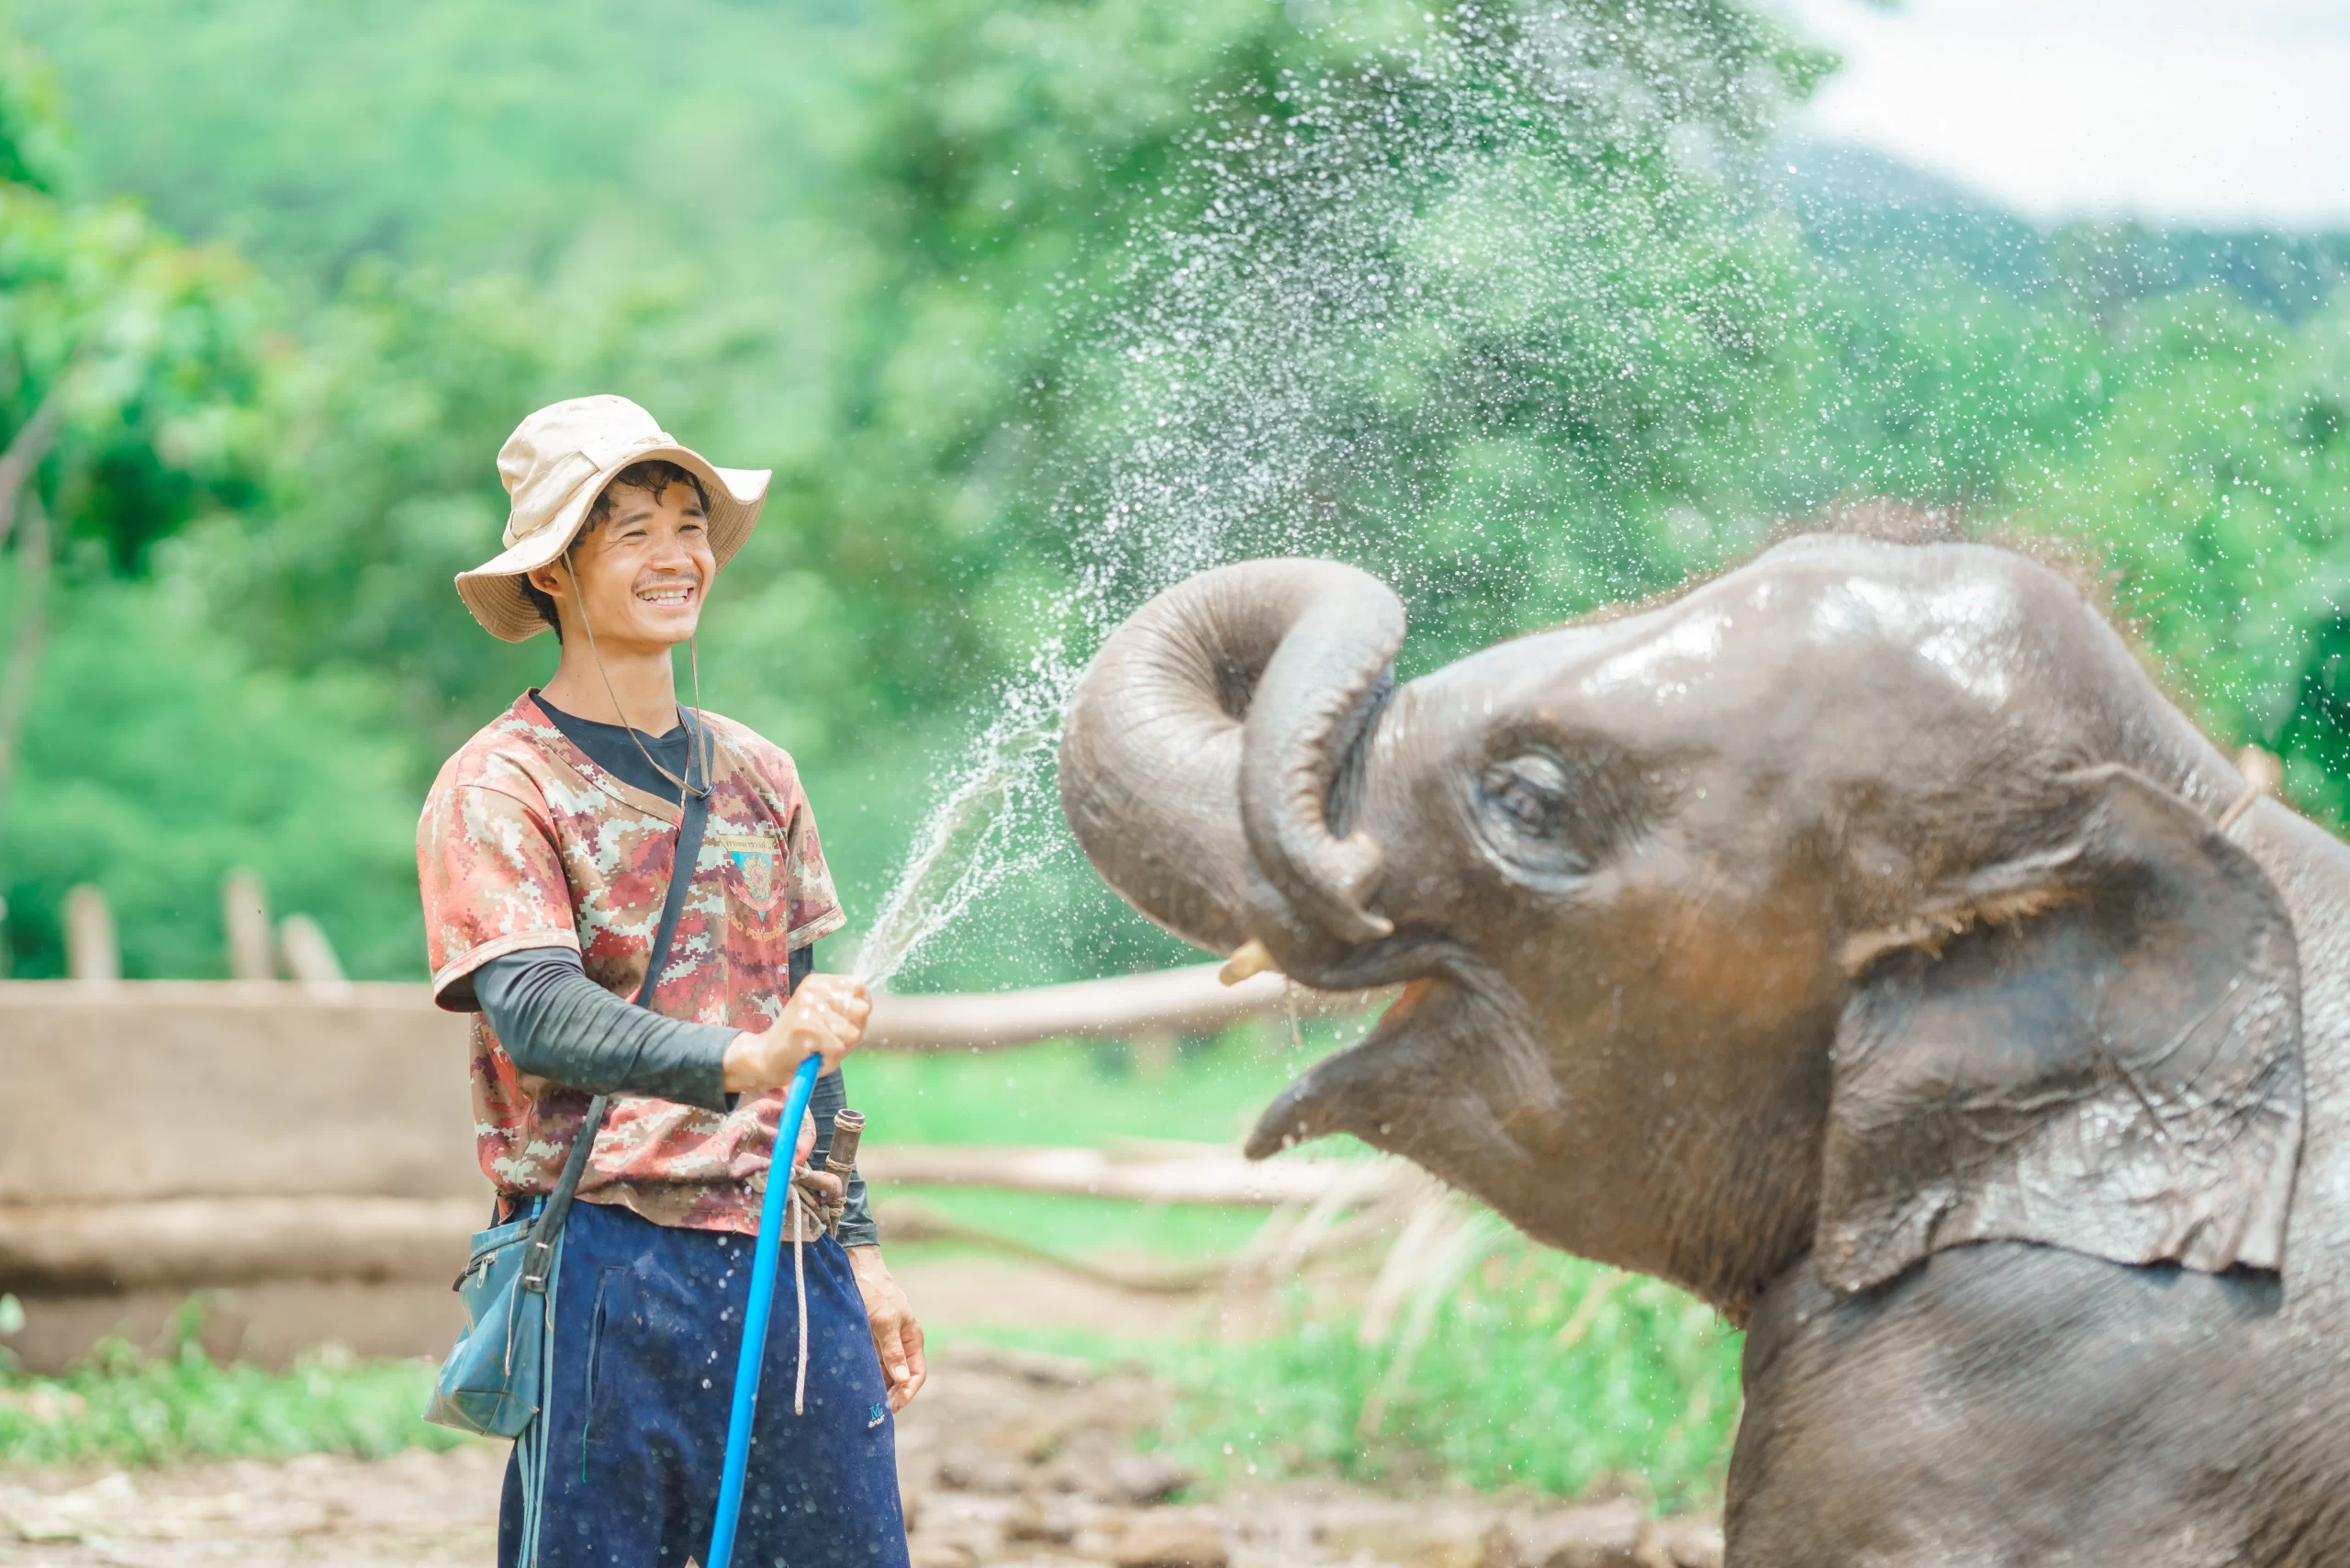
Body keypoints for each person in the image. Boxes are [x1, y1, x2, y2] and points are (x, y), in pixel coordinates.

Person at [416, 395, 921, 1567]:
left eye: (688, 523)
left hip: (792, 1272)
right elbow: (534, 1013)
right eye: (629, 529)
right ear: (551, 571)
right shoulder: (500, 785)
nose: (675, 555)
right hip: (604, 1262)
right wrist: (736, 1062)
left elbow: (812, 1054)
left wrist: (863, 1249)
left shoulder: (758, 774)